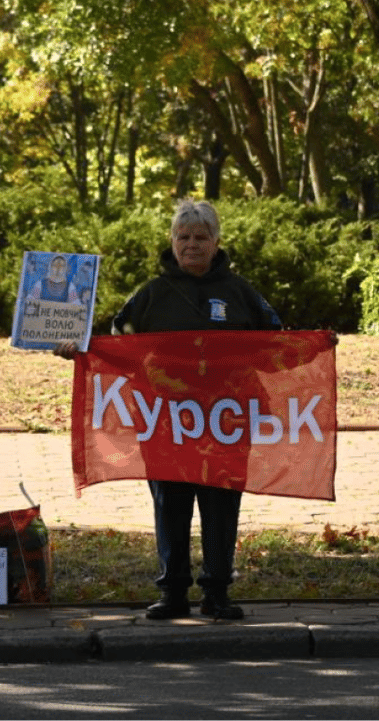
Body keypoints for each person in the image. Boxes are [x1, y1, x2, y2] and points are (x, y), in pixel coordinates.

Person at [54, 200, 281, 621]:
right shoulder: (149, 296)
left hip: (225, 422)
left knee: (220, 506)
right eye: (183, 237)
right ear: (172, 242)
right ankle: (172, 591)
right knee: (170, 505)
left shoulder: (241, 293)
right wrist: (78, 351)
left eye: (201, 237)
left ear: (216, 243)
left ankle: (217, 593)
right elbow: (114, 345)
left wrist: (316, 347)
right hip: (166, 422)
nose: (191, 245)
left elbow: (276, 342)